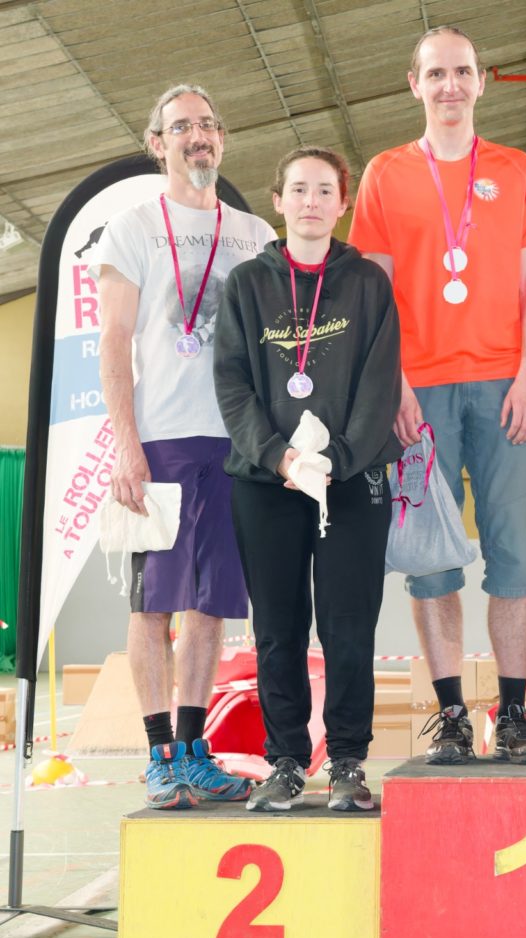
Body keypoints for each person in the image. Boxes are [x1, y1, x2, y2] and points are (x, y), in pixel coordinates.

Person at [348, 26, 526, 765]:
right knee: (430, 560)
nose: (450, 86)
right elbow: (372, 294)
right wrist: (392, 383)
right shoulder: (383, 174)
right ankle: (451, 717)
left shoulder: (517, 170)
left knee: (513, 558)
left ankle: (516, 711)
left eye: (462, 72)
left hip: (504, 387)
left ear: (480, 82)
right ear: (414, 85)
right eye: (435, 74)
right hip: (418, 393)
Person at [93, 84, 277, 809]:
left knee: (213, 606)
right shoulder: (132, 228)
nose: (197, 137)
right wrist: (125, 445)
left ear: (221, 138)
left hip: (237, 443)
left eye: (207, 124)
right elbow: (113, 339)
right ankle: (159, 754)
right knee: (153, 604)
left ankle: (196, 749)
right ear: (156, 142)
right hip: (162, 441)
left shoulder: (257, 234)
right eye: (181, 127)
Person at [214, 146, 401, 811]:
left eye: (326, 190)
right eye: (300, 189)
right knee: (279, 628)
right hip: (266, 484)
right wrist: (280, 458)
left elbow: (380, 387)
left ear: (342, 202)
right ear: (278, 201)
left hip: (350, 482)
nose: (313, 201)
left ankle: (347, 762)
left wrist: (337, 460)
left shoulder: (368, 283)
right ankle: (287, 760)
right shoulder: (245, 286)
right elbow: (233, 387)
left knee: (350, 627)